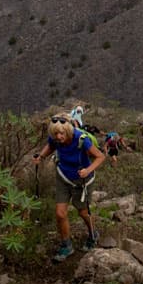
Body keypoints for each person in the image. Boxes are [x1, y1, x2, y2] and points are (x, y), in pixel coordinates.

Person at [33, 112, 106, 262]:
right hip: (63, 177)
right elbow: (50, 146)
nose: (59, 136)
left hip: (82, 181)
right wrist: (41, 157)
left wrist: (88, 170)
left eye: (62, 133)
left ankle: (93, 234)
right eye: (56, 133)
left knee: (83, 212)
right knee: (60, 213)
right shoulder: (55, 139)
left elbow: (100, 156)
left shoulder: (81, 139)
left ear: (68, 130)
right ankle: (66, 245)